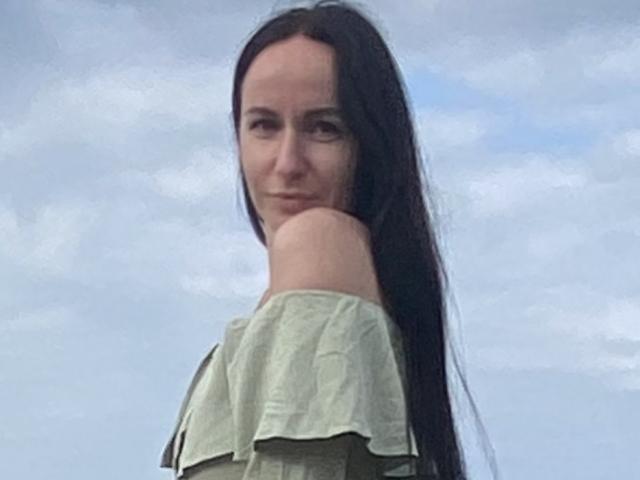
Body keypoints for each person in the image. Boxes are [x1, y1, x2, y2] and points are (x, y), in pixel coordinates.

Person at [160, 1, 500, 479]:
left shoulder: (319, 247)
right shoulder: (337, 290)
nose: (287, 162)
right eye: (264, 125)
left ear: (371, 146)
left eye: (324, 128)